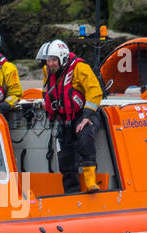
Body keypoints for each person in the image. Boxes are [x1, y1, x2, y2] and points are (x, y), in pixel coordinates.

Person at [41, 39, 103, 193]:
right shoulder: (47, 71)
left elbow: (94, 91)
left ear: (62, 58)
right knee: (65, 155)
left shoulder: (80, 68)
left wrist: (87, 115)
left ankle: (90, 181)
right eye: (48, 60)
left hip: (84, 114)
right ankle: (71, 190)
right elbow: (46, 90)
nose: (51, 63)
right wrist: (48, 106)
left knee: (84, 136)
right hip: (64, 118)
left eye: (54, 60)